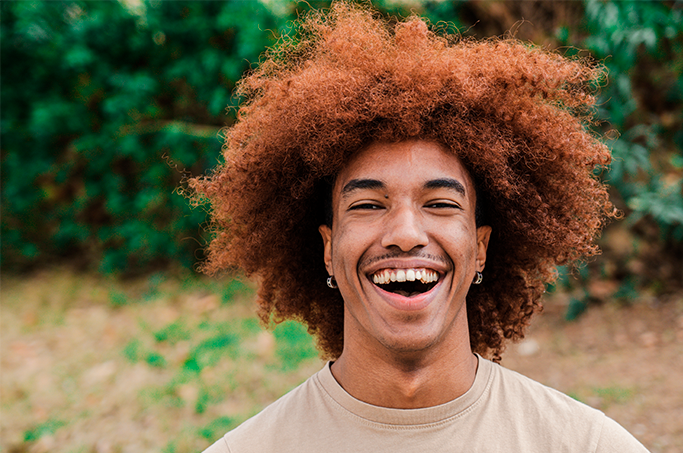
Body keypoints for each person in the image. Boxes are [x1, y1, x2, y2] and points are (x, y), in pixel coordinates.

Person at [193, 3, 649, 452]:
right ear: (328, 249)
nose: (406, 233)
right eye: (369, 204)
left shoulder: (585, 445)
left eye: (441, 203)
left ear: (481, 247)